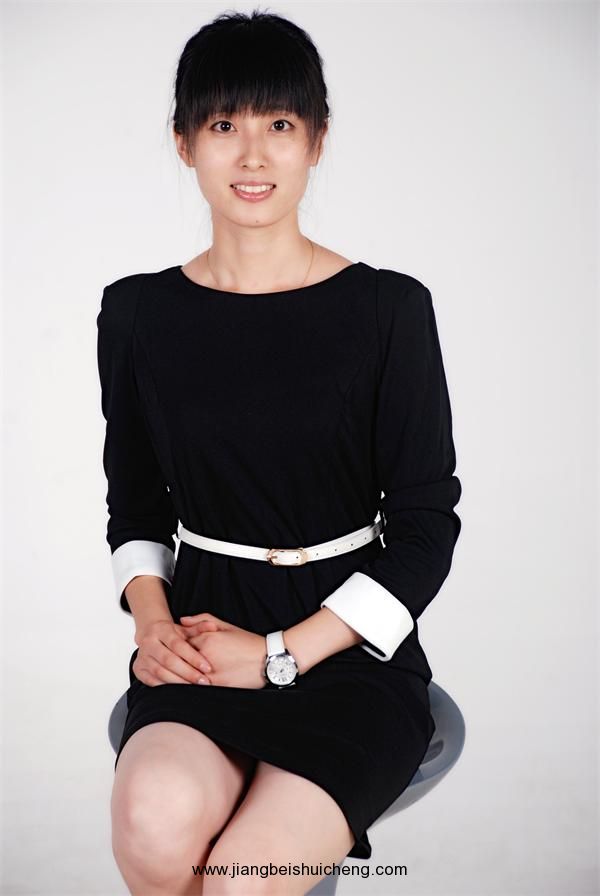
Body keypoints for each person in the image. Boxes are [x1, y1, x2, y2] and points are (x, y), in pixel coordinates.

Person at [97, 9, 462, 895]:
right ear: (184, 142)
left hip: (349, 651)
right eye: (225, 125)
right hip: (202, 632)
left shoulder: (388, 310)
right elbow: (136, 506)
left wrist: (278, 655)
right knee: (153, 827)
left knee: (242, 879)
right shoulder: (138, 313)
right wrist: (152, 623)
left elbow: (425, 529)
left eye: (281, 124)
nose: (253, 156)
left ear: (317, 141)